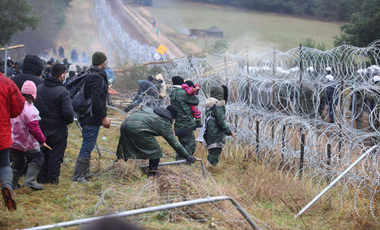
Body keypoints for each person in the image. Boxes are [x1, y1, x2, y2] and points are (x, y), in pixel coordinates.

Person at [116, 105, 196, 176]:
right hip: (139, 129)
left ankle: (118, 165)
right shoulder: (164, 122)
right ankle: (152, 175)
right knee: (156, 151)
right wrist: (187, 156)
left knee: (125, 145)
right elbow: (174, 143)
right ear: (173, 118)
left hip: (125, 123)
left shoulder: (152, 111)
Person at [71, 51, 111, 183]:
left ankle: (85, 173)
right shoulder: (96, 77)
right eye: (105, 61)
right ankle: (78, 176)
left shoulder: (91, 73)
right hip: (91, 116)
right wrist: (104, 117)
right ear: (102, 62)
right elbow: (95, 98)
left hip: (87, 115)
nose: (106, 63)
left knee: (89, 143)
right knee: (87, 145)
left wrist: (106, 89)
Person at [34, 64, 74, 184]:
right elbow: (68, 113)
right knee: (56, 155)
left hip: (41, 128)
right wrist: (68, 120)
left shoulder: (39, 88)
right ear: (62, 75)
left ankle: (40, 178)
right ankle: (52, 180)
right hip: (58, 129)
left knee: (42, 153)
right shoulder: (62, 92)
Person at [10, 81, 51, 191]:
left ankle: (13, 184)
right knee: (38, 157)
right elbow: (34, 129)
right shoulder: (30, 109)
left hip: (12, 141)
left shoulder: (14, 104)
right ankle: (29, 180)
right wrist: (42, 140)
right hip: (25, 142)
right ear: (34, 94)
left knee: (18, 162)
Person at [0, 72, 25, 211]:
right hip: (1, 131)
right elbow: (18, 108)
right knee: (4, 164)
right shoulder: (7, 83)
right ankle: (7, 186)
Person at [203, 86, 236, 166]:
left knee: (212, 151)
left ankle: (210, 167)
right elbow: (221, 121)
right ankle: (212, 169)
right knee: (215, 152)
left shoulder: (209, 104)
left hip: (209, 131)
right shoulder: (218, 105)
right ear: (220, 94)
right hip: (216, 133)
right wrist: (229, 131)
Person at [170, 76, 199, 159]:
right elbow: (196, 101)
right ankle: (187, 163)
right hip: (186, 123)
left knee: (181, 144)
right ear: (182, 83)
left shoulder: (172, 91)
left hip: (178, 123)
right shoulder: (183, 93)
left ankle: (179, 162)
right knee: (190, 145)